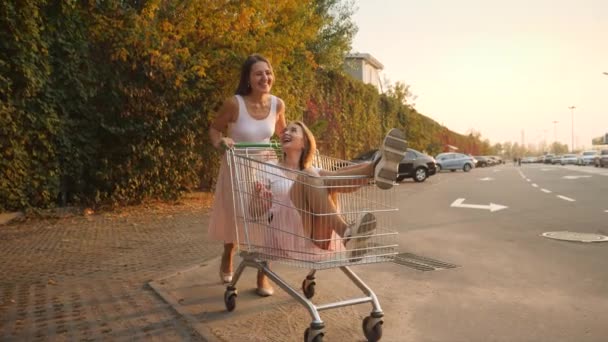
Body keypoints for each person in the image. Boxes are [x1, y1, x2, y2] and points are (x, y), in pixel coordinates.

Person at [249, 121, 407, 258]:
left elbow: (339, 178)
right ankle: (374, 168)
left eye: (293, 130)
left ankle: (375, 167)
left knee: (321, 176)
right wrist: (260, 202)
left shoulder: (314, 172)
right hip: (288, 235)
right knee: (310, 175)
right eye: (285, 130)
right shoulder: (269, 168)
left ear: (304, 142)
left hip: (316, 234)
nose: (286, 132)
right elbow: (252, 212)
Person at [208, 54, 286, 296]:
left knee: (270, 217)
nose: (265, 77)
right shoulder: (234, 103)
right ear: (248, 79)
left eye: (268, 72)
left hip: (266, 166)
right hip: (238, 166)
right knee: (236, 218)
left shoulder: (277, 104)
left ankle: (264, 274)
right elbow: (214, 129)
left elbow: (283, 135)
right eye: (259, 73)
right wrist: (221, 143)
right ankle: (228, 253)